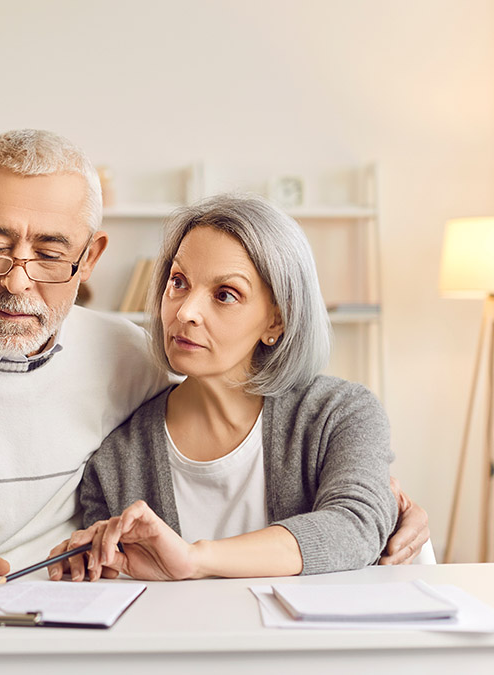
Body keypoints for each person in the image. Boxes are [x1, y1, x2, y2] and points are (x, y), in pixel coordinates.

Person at [0, 130, 431, 574]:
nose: (19, 281)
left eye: (50, 252)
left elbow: (345, 510)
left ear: (90, 257)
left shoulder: (131, 358)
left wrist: (382, 506)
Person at [48, 194, 399, 582]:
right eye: (178, 282)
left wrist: (193, 559)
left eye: (225, 295)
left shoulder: (340, 415)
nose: (185, 312)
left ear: (276, 321)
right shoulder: (118, 462)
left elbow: (355, 526)